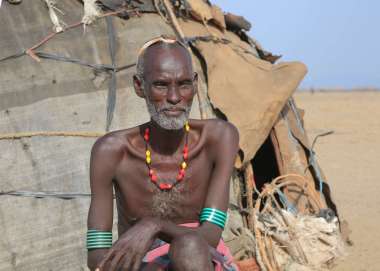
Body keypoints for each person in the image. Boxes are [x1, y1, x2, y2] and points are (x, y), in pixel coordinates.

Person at [87, 36, 240, 271]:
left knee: (189, 246)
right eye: (161, 85)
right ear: (140, 86)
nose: (174, 97)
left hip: (202, 259)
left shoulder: (219, 138)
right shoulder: (111, 152)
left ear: (195, 84)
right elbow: (97, 257)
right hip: (140, 264)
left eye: (184, 84)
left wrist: (155, 225)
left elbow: (210, 234)